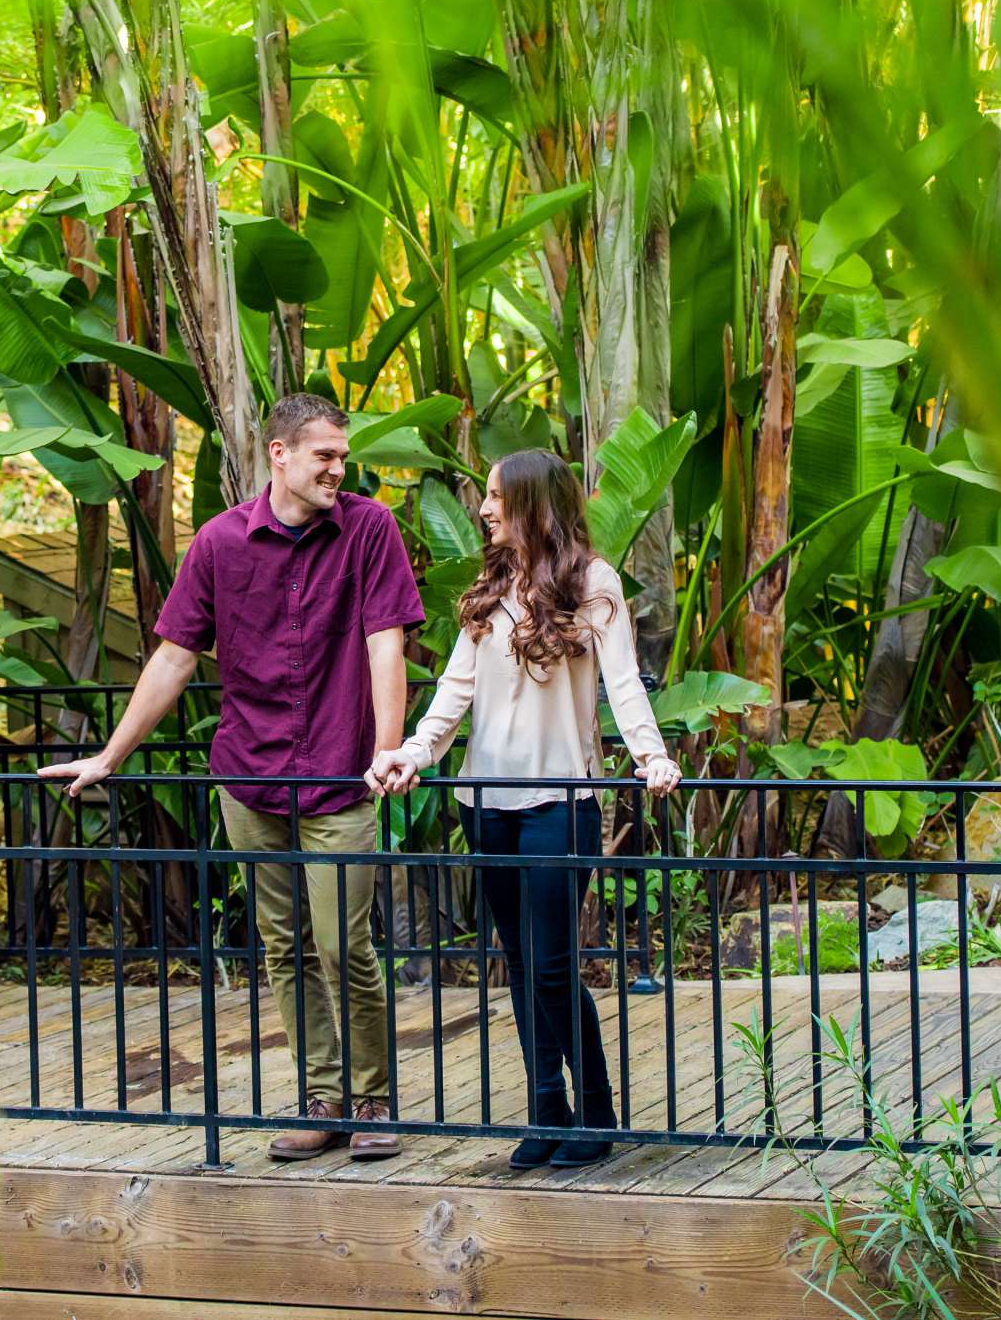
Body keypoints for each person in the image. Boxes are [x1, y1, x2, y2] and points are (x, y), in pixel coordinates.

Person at [39, 393, 425, 1162]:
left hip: (342, 779)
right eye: (325, 456)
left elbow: (388, 645)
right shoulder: (218, 544)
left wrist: (387, 751)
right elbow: (175, 658)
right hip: (249, 778)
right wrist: (109, 757)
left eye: (342, 457)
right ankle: (323, 1099)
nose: (338, 470)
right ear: (278, 455)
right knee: (281, 948)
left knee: (343, 944)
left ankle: (374, 1097)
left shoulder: (369, 529)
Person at [367, 449, 680, 1170]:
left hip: (559, 802)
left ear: (533, 503)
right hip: (486, 802)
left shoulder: (593, 583)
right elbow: (455, 687)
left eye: (495, 497)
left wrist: (649, 755)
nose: (482, 508)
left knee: (551, 967)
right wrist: (413, 754)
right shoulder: (492, 585)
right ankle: (547, 1110)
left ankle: (595, 1110)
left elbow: (625, 684)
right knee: (517, 961)